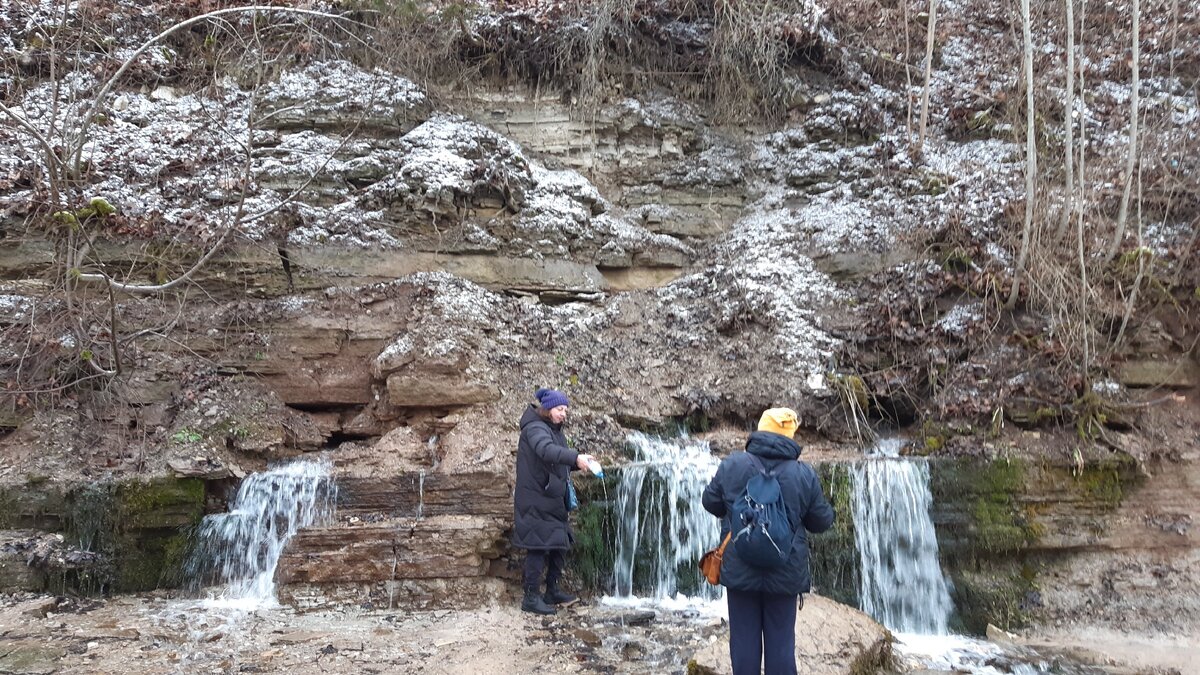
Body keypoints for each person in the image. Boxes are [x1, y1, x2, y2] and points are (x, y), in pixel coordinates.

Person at [702, 407, 835, 675]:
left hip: (740, 570)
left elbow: (710, 502)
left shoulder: (733, 465)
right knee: (781, 648)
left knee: (743, 646)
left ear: (760, 430)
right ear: (790, 435)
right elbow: (821, 522)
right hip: (785, 573)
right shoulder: (803, 475)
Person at [512, 387, 597, 615]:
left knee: (560, 543)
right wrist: (575, 457)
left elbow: (556, 459)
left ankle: (552, 590)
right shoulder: (534, 428)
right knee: (537, 547)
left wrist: (580, 463)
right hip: (536, 499)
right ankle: (531, 598)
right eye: (560, 409)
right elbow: (546, 451)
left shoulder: (553, 429)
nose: (563, 414)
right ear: (548, 409)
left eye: (566, 410)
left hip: (551, 497)